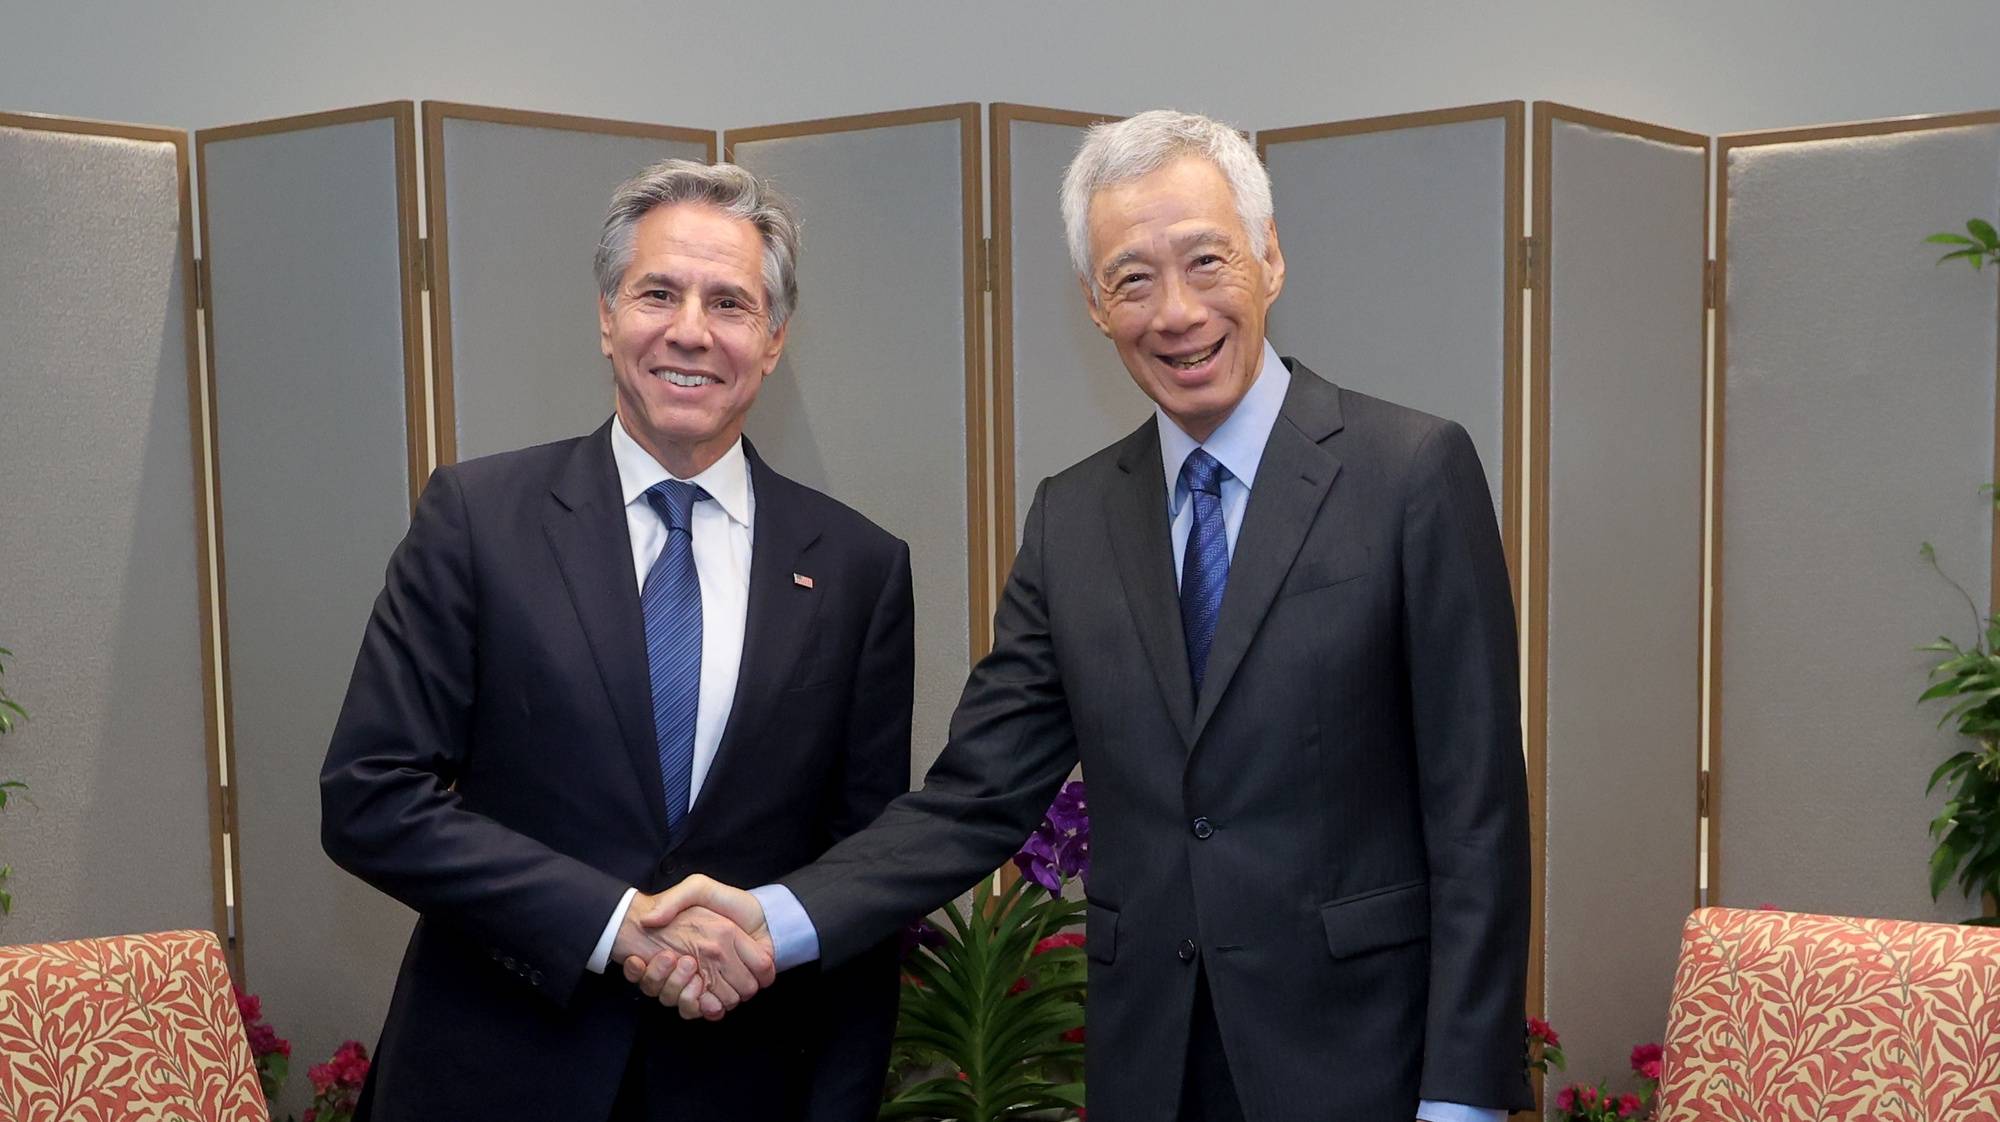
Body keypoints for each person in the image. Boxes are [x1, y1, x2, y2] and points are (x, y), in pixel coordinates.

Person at [637, 110, 1533, 1122]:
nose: (1176, 312)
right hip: (1147, 1069)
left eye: (1205, 261)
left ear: (1269, 258)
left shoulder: (1409, 474)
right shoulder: (1073, 518)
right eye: (1131, 279)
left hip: (1365, 1068)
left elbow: (1477, 819)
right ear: (1094, 306)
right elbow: (973, 796)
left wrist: (1461, 1101)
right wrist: (770, 918)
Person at [319, 158, 913, 1121]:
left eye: (730, 302)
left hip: (740, 1086)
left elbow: (862, 874)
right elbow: (370, 796)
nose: (691, 330)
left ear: (773, 340)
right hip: (491, 1076)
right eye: (658, 293)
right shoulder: (478, 520)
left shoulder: (859, 569)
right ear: (607, 317)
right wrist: (614, 926)